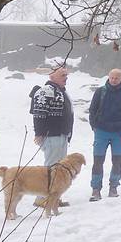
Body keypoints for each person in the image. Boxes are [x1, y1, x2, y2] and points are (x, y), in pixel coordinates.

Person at [29, 65, 75, 208]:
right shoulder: (45, 91)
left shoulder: (61, 91)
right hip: (51, 136)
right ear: (51, 76)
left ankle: (53, 198)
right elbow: (39, 114)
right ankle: (42, 198)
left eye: (66, 75)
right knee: (50, 168)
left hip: (61, 135)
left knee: (58, 168)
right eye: (62, 75)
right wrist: (39, 133)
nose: (65, 78)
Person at [88, 68, 121, 201]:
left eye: (117, 78)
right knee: (98, 161)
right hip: (101, 131)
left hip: (119, 132)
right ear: (108, 77)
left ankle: (113, 186)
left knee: (117, 161)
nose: (114, 80)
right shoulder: (100, 91)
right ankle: (96, 189)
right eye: (112, 78)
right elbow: (92, 109)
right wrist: (94, 126)